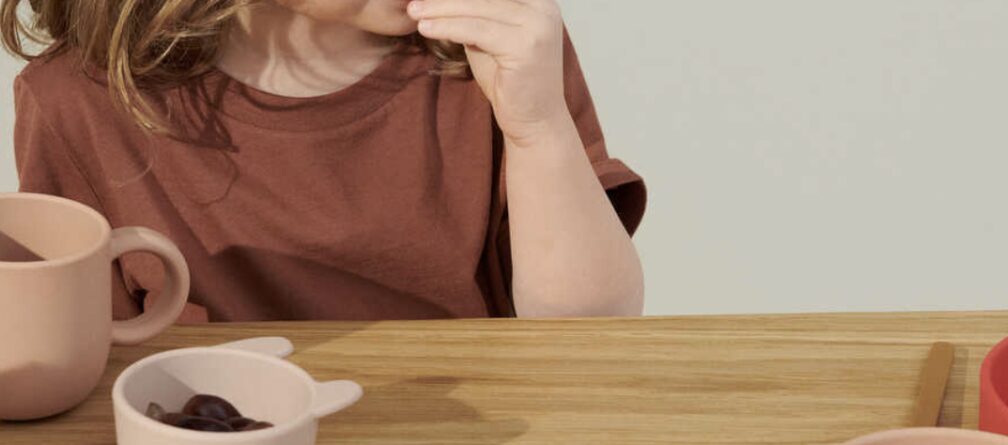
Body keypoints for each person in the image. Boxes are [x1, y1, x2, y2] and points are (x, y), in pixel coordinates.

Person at [1, 0, 646, 322]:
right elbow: (69, 370)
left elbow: (592, 330)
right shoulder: (76, 103)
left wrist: (538, 128)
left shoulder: (501, 52)